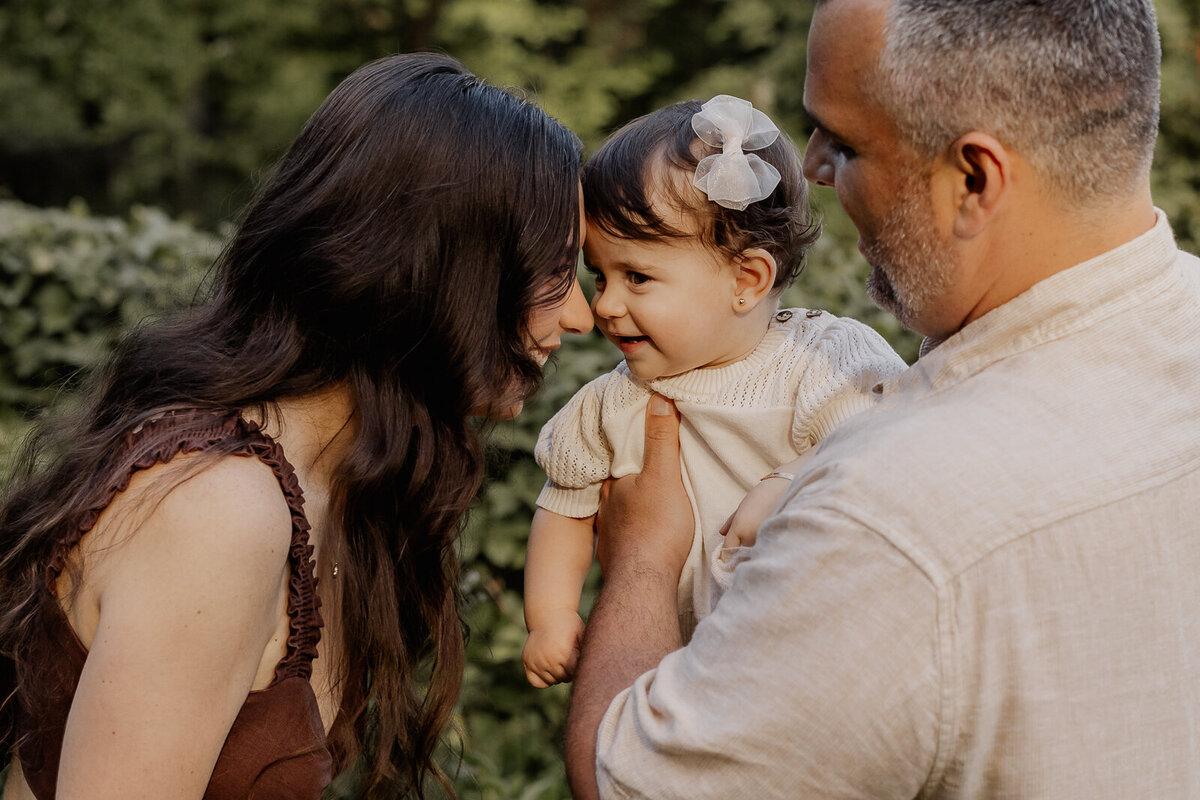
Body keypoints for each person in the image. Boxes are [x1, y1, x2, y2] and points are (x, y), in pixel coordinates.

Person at [564, 0, 1200, 798]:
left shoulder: (892, 518)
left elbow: (621, 779)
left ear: (974, 178)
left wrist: (643, 565)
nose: (813, 166)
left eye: (848, 142)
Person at [0, 52, 593, 800]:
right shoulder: (217, 510)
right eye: (558, 268)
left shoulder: (331, 488)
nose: (582, 313)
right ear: (444, 268)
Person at [520, 95, 906, 688]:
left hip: (819, 662)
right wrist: (551, 617)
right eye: (600, 275)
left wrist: (791, 481)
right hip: (680, 674)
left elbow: (888, 440)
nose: (604, 304)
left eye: (637, 277)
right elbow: (564, 509)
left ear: (747, 280)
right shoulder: (610, 404)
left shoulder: (819, 361)